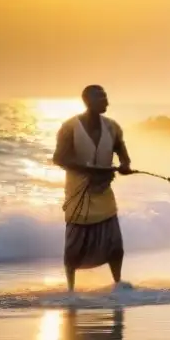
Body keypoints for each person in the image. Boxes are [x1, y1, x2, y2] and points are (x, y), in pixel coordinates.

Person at [52, 85, 133, 292]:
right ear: (88, 101)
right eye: (101, 98)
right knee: (74, 246)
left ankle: (118, 283)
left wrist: (125, 165)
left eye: (106, 97)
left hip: (104, 191)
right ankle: (70, 289)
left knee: (115, 243)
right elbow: (59, 158)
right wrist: (93, 170)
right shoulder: (70, 127)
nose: (106, 102)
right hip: (79, 193)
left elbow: (122, 152)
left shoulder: (112, 127)